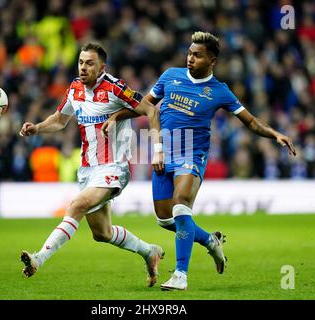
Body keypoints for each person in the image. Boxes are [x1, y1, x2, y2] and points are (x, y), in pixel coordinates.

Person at [102, 31, 296, 290]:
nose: (190, 58)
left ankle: (180, 274)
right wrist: (117, 116)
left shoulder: (220, 91)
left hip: (192, 154)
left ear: (212, 61)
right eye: (189, 53)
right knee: (164, 218)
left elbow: (249, 121)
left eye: (197, 55)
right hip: (163, 151)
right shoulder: (170, 76)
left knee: (181, 204)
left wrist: (275, 134)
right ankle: (209, 241)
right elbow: (145, 105)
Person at [19, 41, 165, 287]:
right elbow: (60, 119)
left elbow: (151, 111)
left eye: (89, 63)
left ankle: (38, 258)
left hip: (114, 167)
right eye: (80, 62)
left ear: (101, 67)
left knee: (77, 205)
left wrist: (157, 151)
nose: (83, 67)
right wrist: (37, 128)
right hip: (88, 169)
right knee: (102, 233)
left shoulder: (115, 88)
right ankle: (150, 252)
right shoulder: (74, 88)